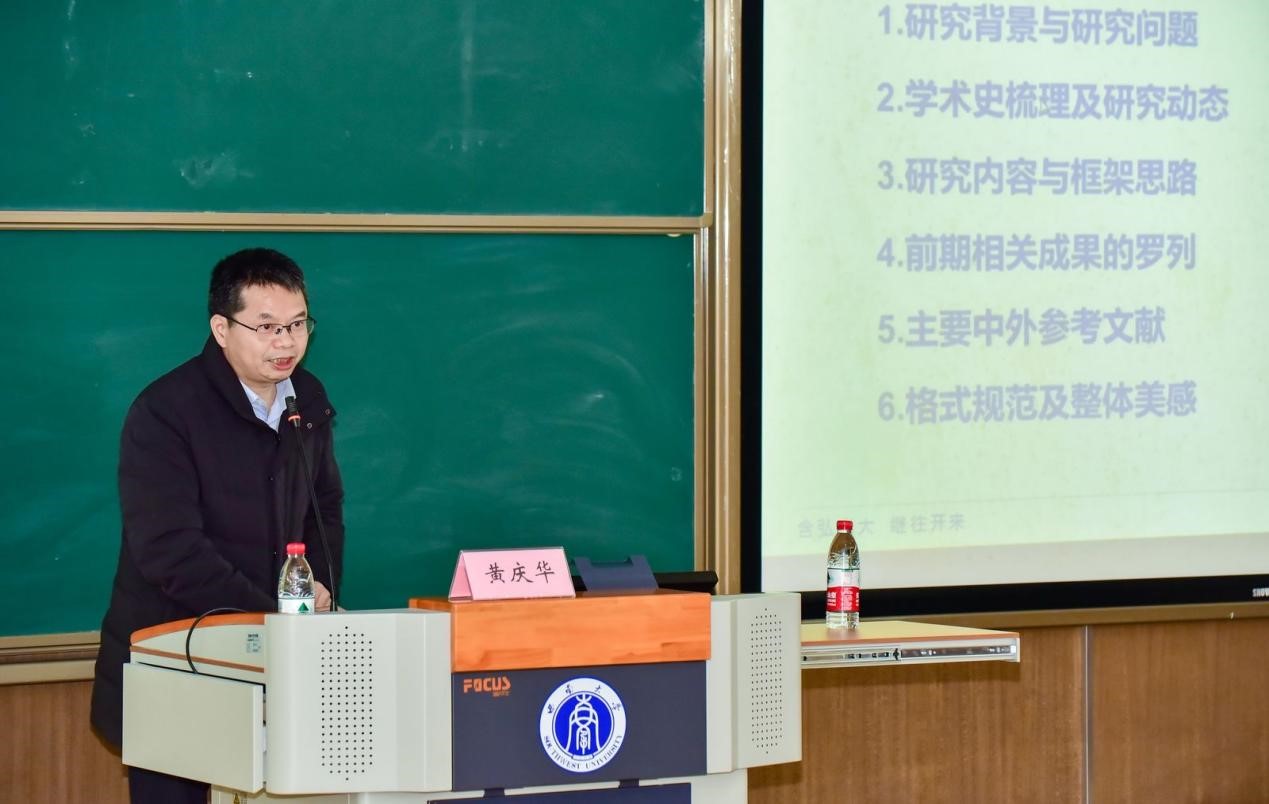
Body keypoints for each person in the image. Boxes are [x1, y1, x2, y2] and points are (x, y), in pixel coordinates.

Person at [90, 248, 345, 803]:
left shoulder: (308, 399)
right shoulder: (166, 411)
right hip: (174, 659)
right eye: (267, 327)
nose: (286, 342)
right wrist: (267, 615)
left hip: (275, 659)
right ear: (222, 329)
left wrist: (317, 588)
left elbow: (323, 506)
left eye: (298, 324)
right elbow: (169, 549)